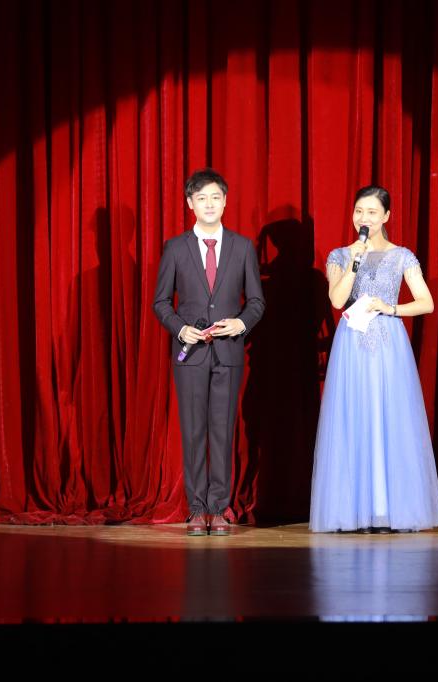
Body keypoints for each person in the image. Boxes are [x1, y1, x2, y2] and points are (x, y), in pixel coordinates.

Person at [309, 185, 438, 533]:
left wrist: (391, 307)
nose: (363, 218)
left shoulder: (402, 256)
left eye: (371, 212)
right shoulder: (340, 255)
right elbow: (337, 300)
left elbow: (426, 303)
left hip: (388, 344)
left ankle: (386, 511)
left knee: (388, 418)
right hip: (351, 344)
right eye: (359, 211)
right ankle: (353, 512)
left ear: (386, 216)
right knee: (353, 418)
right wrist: (354, 262)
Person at [153, 169, 265, 536]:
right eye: (201, 198)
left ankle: (219, 508)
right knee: (193, 431)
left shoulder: (242, 247)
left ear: (226, 201)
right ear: (190, 204)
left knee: (222, 431)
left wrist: (241, 323)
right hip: (190, 353)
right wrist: (180, 328)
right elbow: (161, 302)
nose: (209, 204)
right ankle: (196, 509)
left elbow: (257, 302)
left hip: (229, 354)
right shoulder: (175, 248)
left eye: (215, 197)